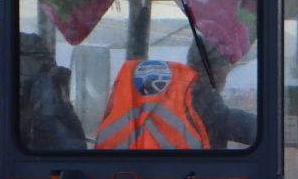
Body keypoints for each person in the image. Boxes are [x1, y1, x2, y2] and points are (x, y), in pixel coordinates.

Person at [95, 41, 255, 151]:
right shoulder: (204, 102)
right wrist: (274, 129)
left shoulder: (153, 96)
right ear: (215, 69)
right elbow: (239, 125)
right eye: (226, 65)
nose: (227, 72)